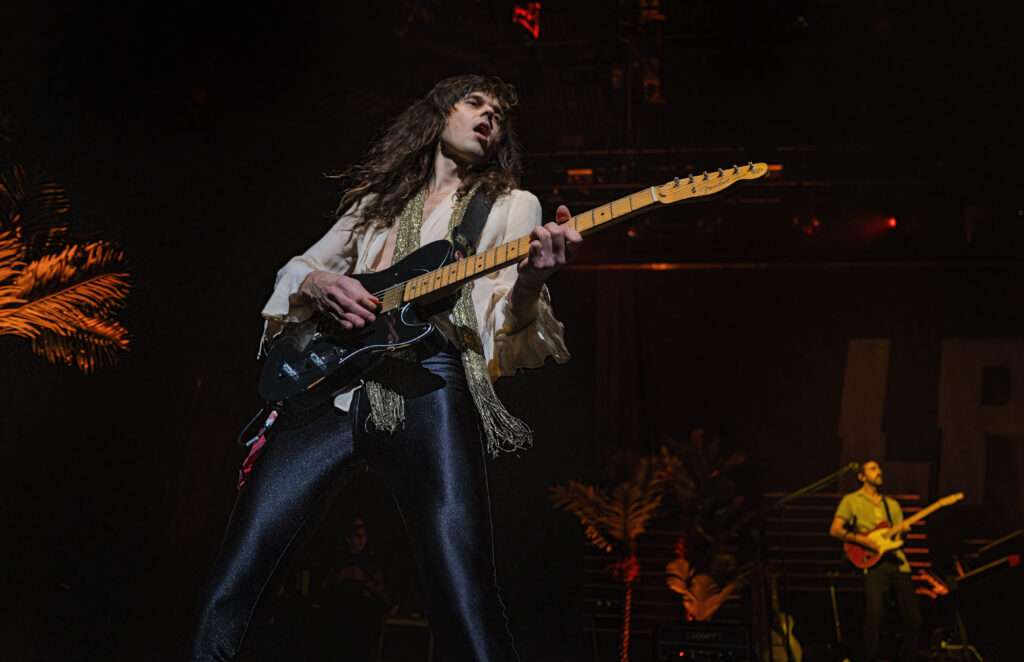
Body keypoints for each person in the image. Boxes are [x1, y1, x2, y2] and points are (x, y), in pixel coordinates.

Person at [187, 74, 581, 662]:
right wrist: (320, 284)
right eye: (475, 103)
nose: (489, 117)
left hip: (430, 378)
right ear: (440, 113)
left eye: (499, 115)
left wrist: (532, 280)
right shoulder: (378, 203)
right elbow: (298, 268)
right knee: (237, 573)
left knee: (461, 588)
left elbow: (504, 318)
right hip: (332, 387)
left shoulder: (510, 205)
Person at [829, 460, 921, 662]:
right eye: (873, 469)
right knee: (874, 615)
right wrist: (862, 540)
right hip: (872, 563)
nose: (879, 471)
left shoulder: (892, 504)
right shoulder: (851, 500)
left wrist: (904, 533)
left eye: (879, 468)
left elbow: (899, 540)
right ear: (861, 477)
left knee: (912, 616)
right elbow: (835, 530)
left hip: (898, 563)